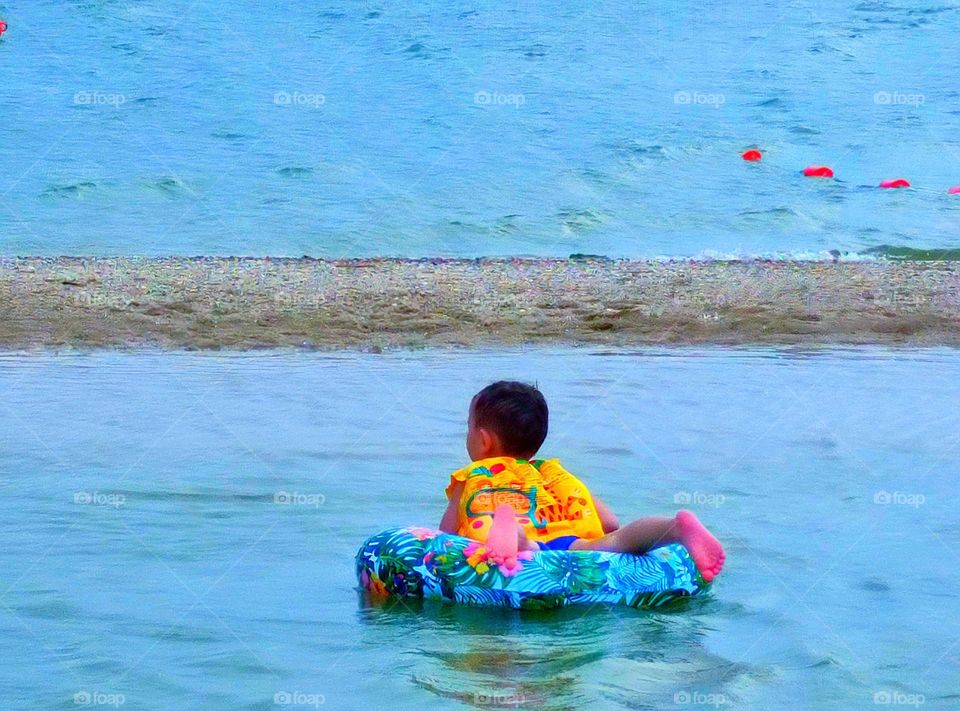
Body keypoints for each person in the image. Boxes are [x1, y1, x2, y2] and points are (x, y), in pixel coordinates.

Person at [439, 381, 725, 582]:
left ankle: (515, 535)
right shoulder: (550, 473)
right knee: (617, 540)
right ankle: (673, 528)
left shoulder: (473, 478)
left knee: (525, 543)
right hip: (570, 543)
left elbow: (447, 537)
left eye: (468, 428)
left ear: (484, 440)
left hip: (527, 552)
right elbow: (610, 522)